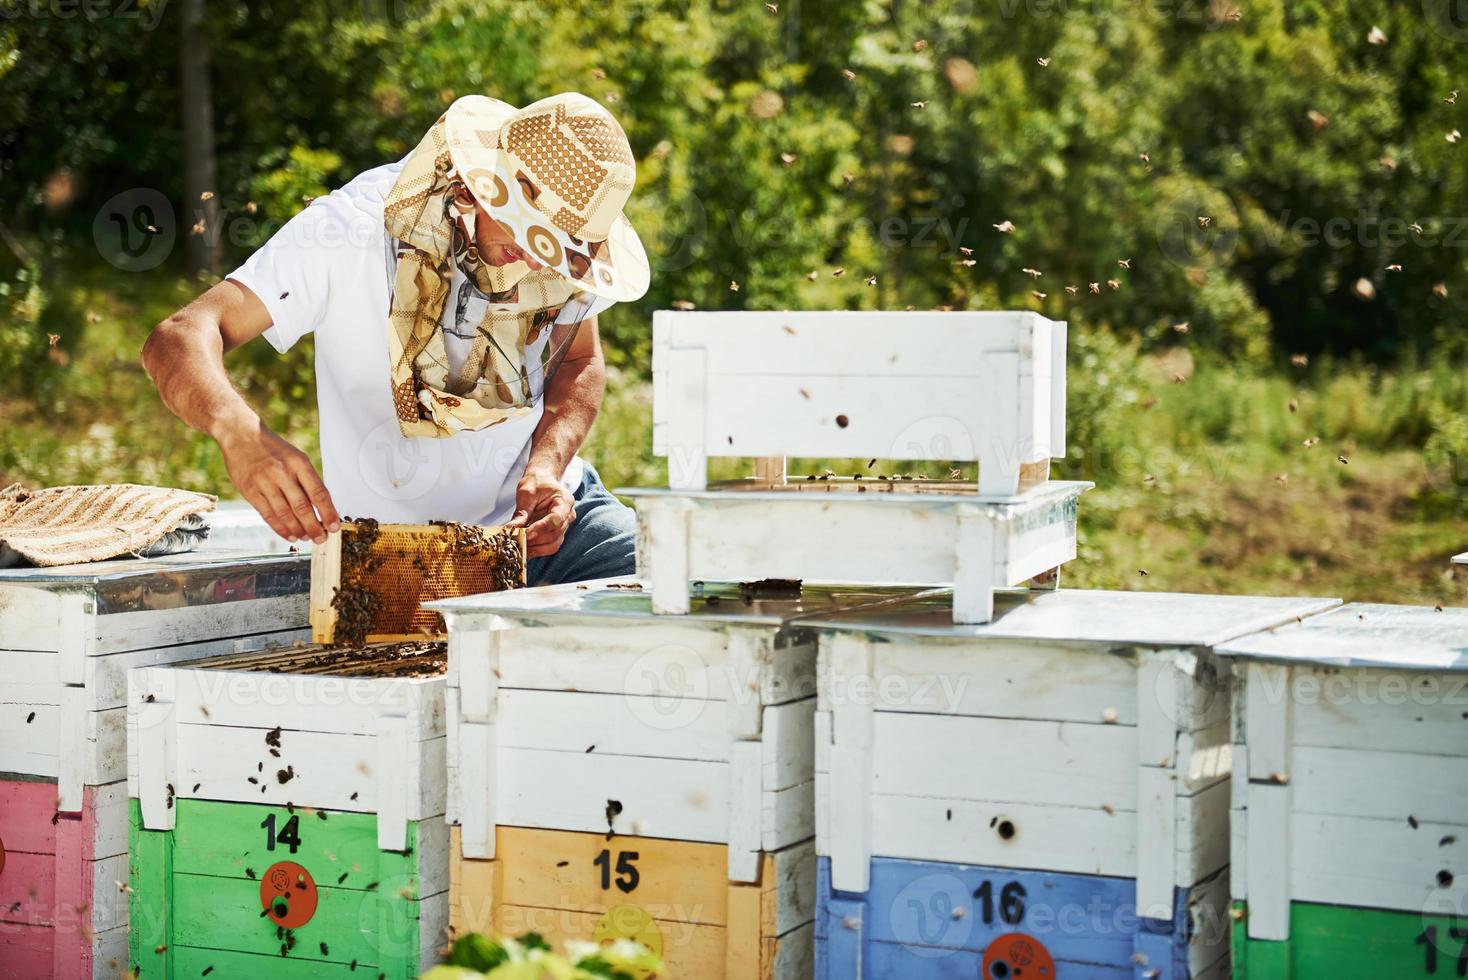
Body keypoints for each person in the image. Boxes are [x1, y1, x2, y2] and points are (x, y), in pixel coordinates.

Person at [142, 92, 648, 585]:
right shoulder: (349, 230)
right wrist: (242, 436)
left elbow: (580, 360)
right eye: (532, 234)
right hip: (396, 560)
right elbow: (180, 337)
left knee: (674, 592)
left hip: (552, 535)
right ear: (483, 183)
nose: (542, 262)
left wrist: (548, 467)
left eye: (564, 247)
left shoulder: (554, 261)